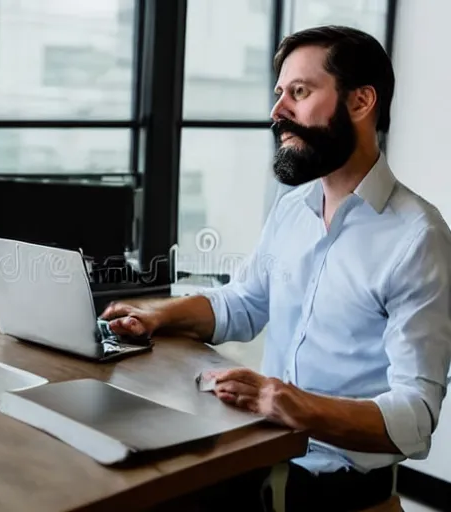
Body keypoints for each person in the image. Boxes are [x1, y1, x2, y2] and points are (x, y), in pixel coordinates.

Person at [103, 25, 451, 512]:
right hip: (255, 473)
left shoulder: (419, 238)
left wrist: (288, 403)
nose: (278, 111)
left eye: (300, 92)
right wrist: (160, 314)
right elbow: (245, 302)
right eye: (279, 93)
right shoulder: (292, 209)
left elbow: (416, 416)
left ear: (360, 102)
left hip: (344, 500)